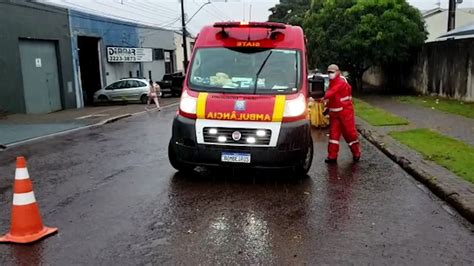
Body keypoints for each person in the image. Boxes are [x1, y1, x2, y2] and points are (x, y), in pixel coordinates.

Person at [322, 64, 360, 163]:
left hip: (345, 113)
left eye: (332, 72)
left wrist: (322, 96)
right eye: (328, 72)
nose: (330, 74)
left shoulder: (341, 83)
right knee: (333, 136)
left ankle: (356, 153)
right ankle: (332, 156)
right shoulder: (332, 83)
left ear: (338, 72)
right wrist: (327, 109)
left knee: (350, 134)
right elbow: (332, 98)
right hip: (335, 114)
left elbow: (331, 93)